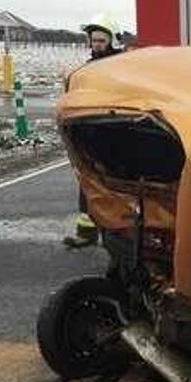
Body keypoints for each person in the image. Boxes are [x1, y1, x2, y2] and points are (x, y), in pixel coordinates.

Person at [63, 15, 125, 248]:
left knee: (118, 185)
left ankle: (123, 235)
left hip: (116, 133)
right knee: (88, 182)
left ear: (112, 41)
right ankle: (87, 233)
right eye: (93, 40)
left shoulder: (122, 66)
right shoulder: (88, 68)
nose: (96, 44)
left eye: (101, 40)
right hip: (91, 132)